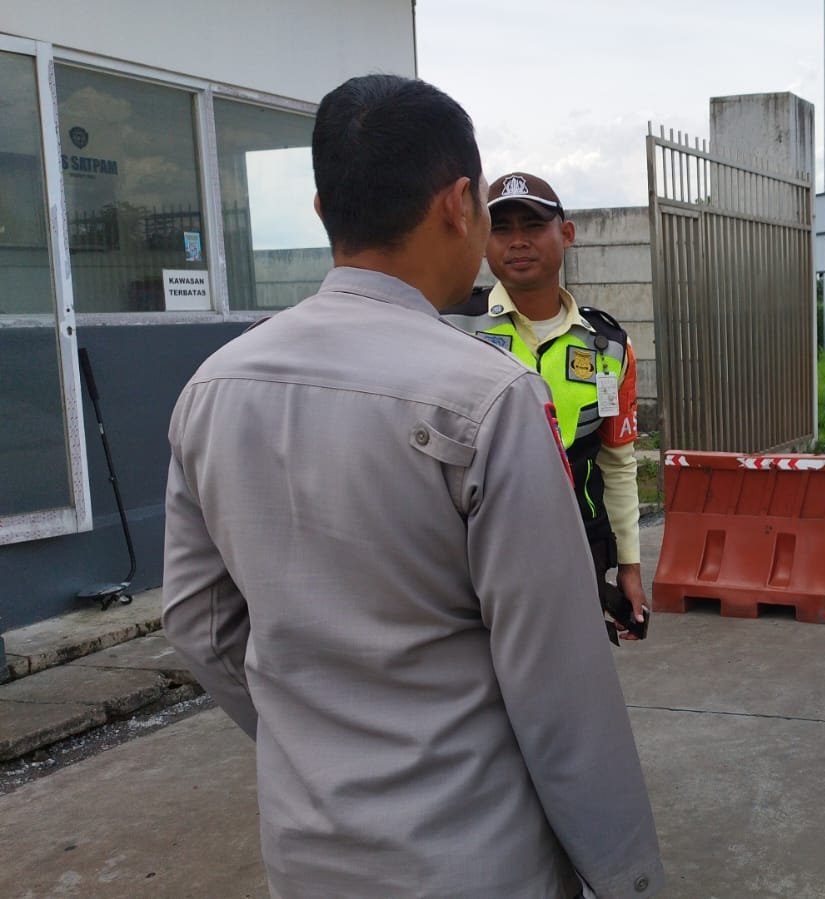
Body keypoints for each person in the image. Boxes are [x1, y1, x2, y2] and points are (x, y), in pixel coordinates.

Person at [161, 74, 662, 899]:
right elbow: (558, 684)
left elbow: (198, 624)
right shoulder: (488, 396)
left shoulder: (212, 388)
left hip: (308, 853)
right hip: (476, 855)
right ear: (459, 205)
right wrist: (626, 876)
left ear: (322, 211)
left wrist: (312, 746)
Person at [441, 173, 647, 643]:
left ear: (566, 234)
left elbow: (618, 463)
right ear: (482, 238)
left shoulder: (609, 346)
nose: (517, 242)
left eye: (533, 226)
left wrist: (630, 567)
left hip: (580, 546)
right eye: (501, 228)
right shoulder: (449, 326)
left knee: (572, 668)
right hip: (473, 549)